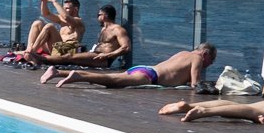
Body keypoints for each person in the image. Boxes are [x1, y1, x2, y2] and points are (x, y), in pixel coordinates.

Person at [50, 43, 216, 90]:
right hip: (150, 76)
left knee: (113, 79)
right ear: (205, 54)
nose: (209, 64)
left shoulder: (183, 53)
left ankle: (58, 72)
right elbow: (195, 84)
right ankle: (76, 77)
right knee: (111, 81)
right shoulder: (197, 59)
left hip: (144, 69)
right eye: (211, 60)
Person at [39, 5, 130, 80]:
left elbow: (126, 47)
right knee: (72, 59)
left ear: (105, 15)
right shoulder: (104, 29)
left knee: (70, 56)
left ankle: (40, 59)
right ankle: (46, 62)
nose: (97, 17)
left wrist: (108, 55)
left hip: (103, 59)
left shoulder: (118, 29)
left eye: (99, 14)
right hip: (96, 54)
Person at [21, 0, 86, 60]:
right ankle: (29, 49)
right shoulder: (62, 20)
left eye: (67, 8)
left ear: (76, 9)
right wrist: (44, 1)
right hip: (55, 47)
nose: (64, 10)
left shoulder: (78, 22)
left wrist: (54, 1)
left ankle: (32, 52)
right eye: (63, 8)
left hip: (65, 51)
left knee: (50, 26)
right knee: (37, 23)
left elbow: (66, 17)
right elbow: (46, 14)